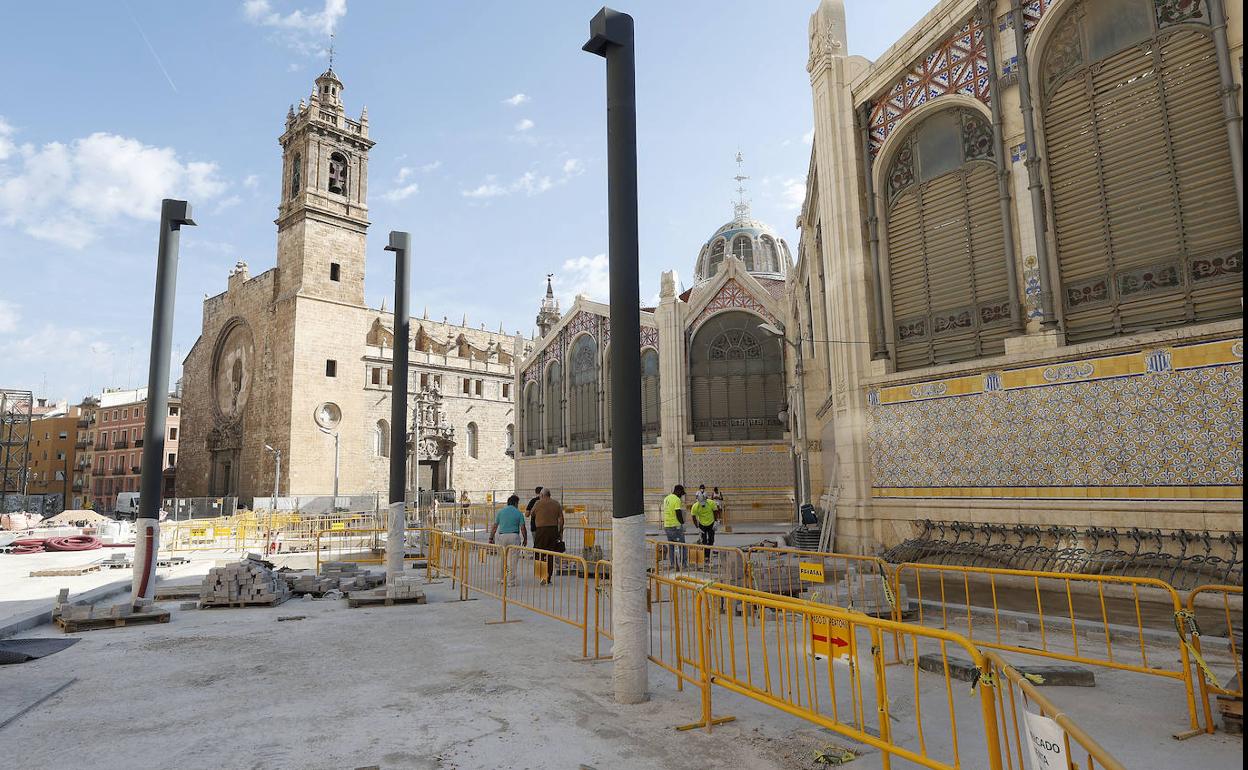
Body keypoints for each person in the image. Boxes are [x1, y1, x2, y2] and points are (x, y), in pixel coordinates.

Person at [489, 494, 527, 586]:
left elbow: (495, 526)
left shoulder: (501, 512)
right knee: (513, 559)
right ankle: (511, 581)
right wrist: (525, 538)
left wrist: (491, 537)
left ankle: (501, 578)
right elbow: (522, 527)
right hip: (514, 536)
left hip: (502, 536)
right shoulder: (518, 513)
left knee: (501, 558)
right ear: (515, 503)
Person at [529, 489, 564, 584]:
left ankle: (541, 575)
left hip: (541, 531)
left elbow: (532, 514)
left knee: (539, 553)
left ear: (542, 495)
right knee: (550, 554)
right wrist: (560, 532)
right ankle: (548, 577)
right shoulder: (556, 504)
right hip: (553, 531)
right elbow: (561, 519)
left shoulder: (538, 503)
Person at [662, 485, 688, 570]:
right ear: (678, 491)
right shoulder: (677, 499)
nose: (681, 496)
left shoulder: (666, 498)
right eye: (681, 493)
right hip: (675, 526)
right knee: (682, 545)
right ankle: (684, 564)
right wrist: (682, 523)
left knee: (671, 545)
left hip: (667, 526)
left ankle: (673, 564)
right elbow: (678, 512)